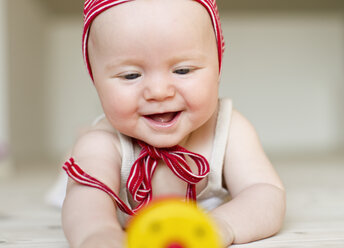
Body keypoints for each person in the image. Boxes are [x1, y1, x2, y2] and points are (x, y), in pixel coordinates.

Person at [61, 0, 286, 247]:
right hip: (98, 159)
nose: (159, 92)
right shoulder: (102, 143)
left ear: (218, 69)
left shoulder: (229, 129)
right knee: (78, 163)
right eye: (131, 75)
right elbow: (85, 201)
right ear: (96, 81)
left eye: (183, 70)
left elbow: (265, 193)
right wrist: (99, 234)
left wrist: (221, 224)